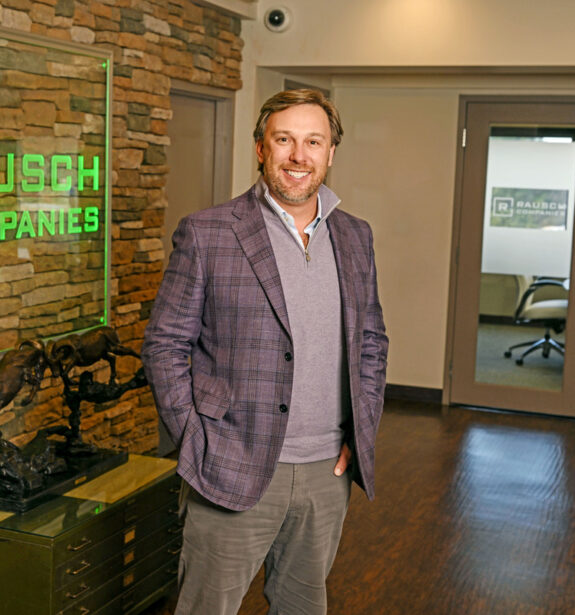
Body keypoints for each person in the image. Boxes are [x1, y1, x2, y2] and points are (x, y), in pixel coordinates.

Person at [140, 89, 389, 615]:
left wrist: (359, 430)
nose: (300, 156)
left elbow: (370, 341)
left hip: (328, 470)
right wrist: (194, 436)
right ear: (261, 148)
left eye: (313, 141)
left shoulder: (355, 236)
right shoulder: (209, 232)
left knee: (303, 606)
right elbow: (165, 344)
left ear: (330, 152)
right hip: (230, 463)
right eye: (285, 140)